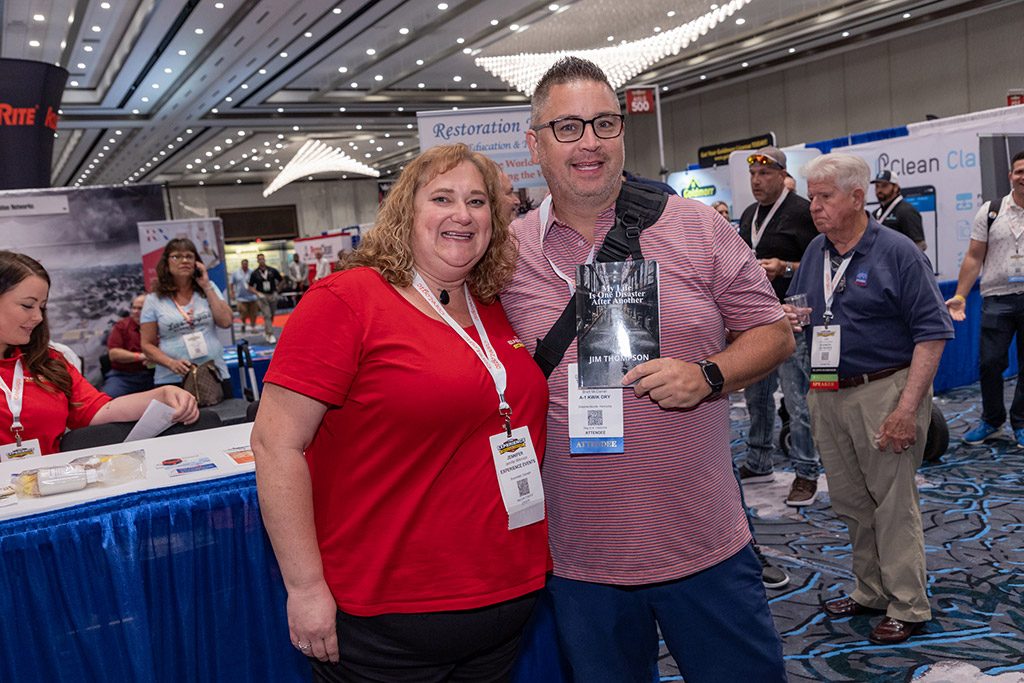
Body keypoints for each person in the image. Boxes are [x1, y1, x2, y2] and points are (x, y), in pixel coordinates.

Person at [501, 56, 792, 681]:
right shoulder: (506, 256)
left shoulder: (696, 228)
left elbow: (773, 332)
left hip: (703, 539)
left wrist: (708, 376)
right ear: (534, 144)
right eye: (568, 127)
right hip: (580, 558)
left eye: (605, 124)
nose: (590, 143)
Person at [251, 143, 550, 681]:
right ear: (405, 212)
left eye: (477, 201)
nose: (463, 214)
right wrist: (305, 587)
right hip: (385, 622)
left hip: (503, 606)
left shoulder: (491, 304)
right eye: (442, 198)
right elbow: (276, 445)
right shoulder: (347, 301)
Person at [785, 153, 952, 645]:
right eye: (811, 197)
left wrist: (907, 409)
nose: (814, 207)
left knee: (893, 503)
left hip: (884, 390)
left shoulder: (898, 252)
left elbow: (933, 334)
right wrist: (791, 319)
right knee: (852, 501)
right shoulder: (816, 250)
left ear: (858, 198)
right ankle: (871, 590)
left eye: (825, 197)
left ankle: (908, 604)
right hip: (827, 389)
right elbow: (808, 308)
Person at [0, 251, 198, 455]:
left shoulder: (49, 361)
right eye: (27, 306)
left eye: (42, 308)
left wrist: (162, 396)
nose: (38, 317)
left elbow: (97, 410)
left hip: (49, 474)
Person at [738, 146, 822, 506]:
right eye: (753, 175)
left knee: (797, 400)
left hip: (793, 320)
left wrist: (785, 267)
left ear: (783, 175)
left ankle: (806, 471)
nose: (757, 181)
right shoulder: (748, 214)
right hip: (757, 319)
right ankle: (759, 460)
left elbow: (822, 262)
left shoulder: (803, 211)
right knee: (756, 398)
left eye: (764, 174)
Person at [947, 151, 1024, 445]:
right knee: (990, 363)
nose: (1023, 177)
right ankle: (992, 420)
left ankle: (1021, 422)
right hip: (997, 298)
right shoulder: (991, 211)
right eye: (1019, 171)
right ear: (1010, 176)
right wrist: (960, 295)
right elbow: (973, 256)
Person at [140, 238, 233, 396]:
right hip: (172, 378)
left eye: (189, 256)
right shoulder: (153, 300)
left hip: (214, 373)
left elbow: (226, 321)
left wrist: (206, 285)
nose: (184, 261)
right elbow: (147, 345)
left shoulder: (208, 288)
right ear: (166, 263)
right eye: (176, 256)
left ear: (197, 263)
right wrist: (171, 363)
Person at [104, 294, 155, 398]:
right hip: (124, 377)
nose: (135, 311)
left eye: (140, 308)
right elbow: (113, 354)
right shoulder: (122, 326)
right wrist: (142, 356)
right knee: (107, 399)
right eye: (133, 308)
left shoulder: (160, 325)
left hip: (154, 375)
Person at [870, 170, 927, 250]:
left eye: (884, 185)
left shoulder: (907, 211)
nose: (879, 190)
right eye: (877, 186)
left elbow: (920, 245)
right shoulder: (875, 214)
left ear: (896, 187)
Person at [248, 253, 283, 344]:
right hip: (262, 296)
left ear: (265, 259)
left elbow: (281, 280)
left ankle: (267, 331)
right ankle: (270, 334)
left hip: (272, 294)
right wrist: (257, 293)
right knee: (267, 314)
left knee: (271, 314)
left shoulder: (272, 270)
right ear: (257, 261)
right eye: (259, 259)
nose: (261, 261)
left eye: (262, 259)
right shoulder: (255, 273)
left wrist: (278, 289)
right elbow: (250, 286)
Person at [231, 258, 258, 333]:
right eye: (244, 264)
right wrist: (232, 292)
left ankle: (253, 326)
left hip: (252, 296)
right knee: (243, 312)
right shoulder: (236, 273)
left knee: (253, 313)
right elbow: (231, 283)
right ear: (241, 264)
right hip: (241, 297)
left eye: (246, 264)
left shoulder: (252, 272)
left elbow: (257, 282)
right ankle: (243, 323)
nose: (245, 265)